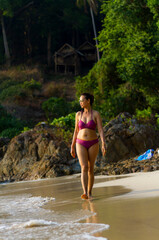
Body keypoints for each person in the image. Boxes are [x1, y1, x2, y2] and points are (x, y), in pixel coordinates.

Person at [70, 93, 106, 200]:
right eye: (80, 101)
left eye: (82, 100)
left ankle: (90, 192)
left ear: (88, 101)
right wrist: (72, 146)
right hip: (80, 143)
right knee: (84, 167)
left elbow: (100, 130)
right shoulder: (78, 115)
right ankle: (85, 192)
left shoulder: (95, 114)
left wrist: (103, 143)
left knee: (91, 168)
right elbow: (76, 131)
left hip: (93, 143)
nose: (80, 102)